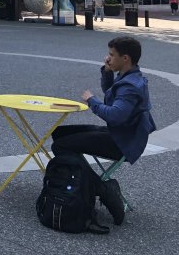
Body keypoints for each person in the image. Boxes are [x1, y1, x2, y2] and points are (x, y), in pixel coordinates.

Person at [51, 36, 156, 225]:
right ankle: (93, 184)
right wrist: (107, 72)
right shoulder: (130, 77)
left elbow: (114, 115)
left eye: (112, 55)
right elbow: (112, 93)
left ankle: (101, 189)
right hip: (121, 134)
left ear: (125, 58)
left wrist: (92, 100)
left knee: (60, 146)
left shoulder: (131, 86)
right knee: (59, 133)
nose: (108, 58)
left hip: (122, 142)